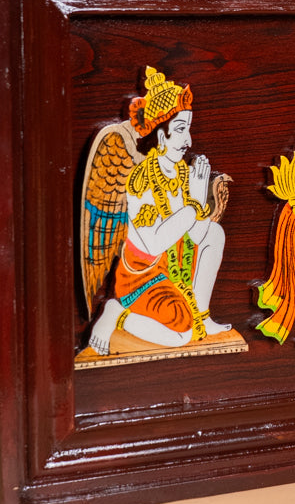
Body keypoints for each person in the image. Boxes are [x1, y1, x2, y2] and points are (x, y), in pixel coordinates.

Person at [89, 70, 232, 354]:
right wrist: (194, 204)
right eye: (180, 129)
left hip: (173, 265)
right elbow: (154, 243)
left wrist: (197, 203)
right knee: (181, 334)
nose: (188, 140)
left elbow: (196, 236)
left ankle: (203, 316)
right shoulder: (140, 180)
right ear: (160, 135)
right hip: (142, 276)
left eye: (188, 128)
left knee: (215, 232)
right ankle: (117, 312)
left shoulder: (180, 172)